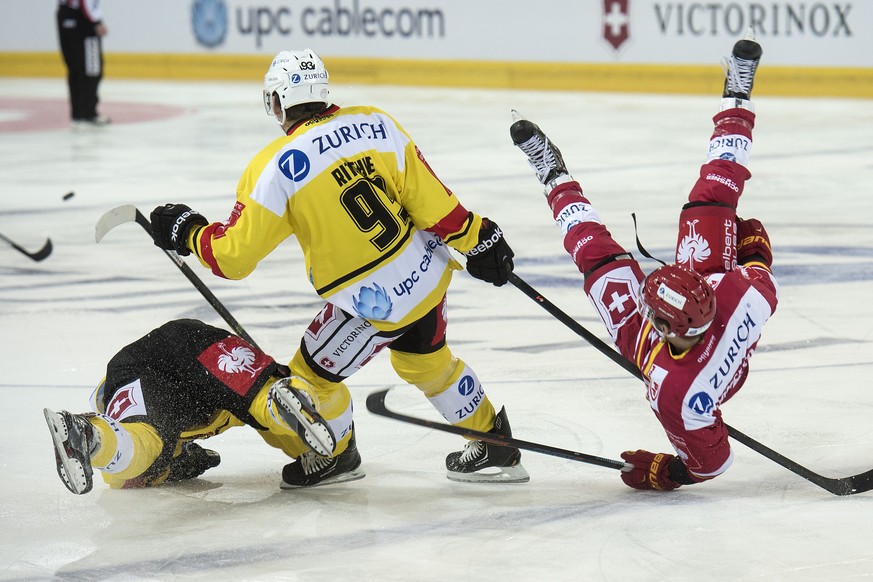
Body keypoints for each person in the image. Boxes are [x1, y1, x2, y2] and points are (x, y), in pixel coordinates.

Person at [148, 49, 529, 484]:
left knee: (311, 382)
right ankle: (492, 440)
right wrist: (479, 237)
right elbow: (432, 203)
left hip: (374, 303)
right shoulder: (376, 123)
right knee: (426, 363)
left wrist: (190, 231)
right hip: (425, 274)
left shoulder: (274, 165)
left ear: (276, 103)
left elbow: (233, 258)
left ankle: (337, 454)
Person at [510, 31, 777, 491]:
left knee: (596, 257)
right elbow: (757, 267)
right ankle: (737, 96)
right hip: (702, 311)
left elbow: (711, 466)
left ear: (661, 323)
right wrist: (752, 249)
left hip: (679, 367)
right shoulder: (743, 293)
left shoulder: (679, 394)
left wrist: (666, 472)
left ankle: (554, 175)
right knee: (714, 193)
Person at [44, 318, 366, 494]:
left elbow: (131, 469)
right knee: (262, 408)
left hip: (150, 362)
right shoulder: (180, 429)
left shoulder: (132, 402)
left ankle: (89, 436)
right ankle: (298, 408)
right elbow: (195, 459)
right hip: (198, 353)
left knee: (143, 445)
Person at [56, 0, 110, 126]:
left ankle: (78, 112)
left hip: (65, 15)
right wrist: (96, 21)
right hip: (82, 18)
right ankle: (88, 113)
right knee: (91, 68)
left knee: (75, 67)